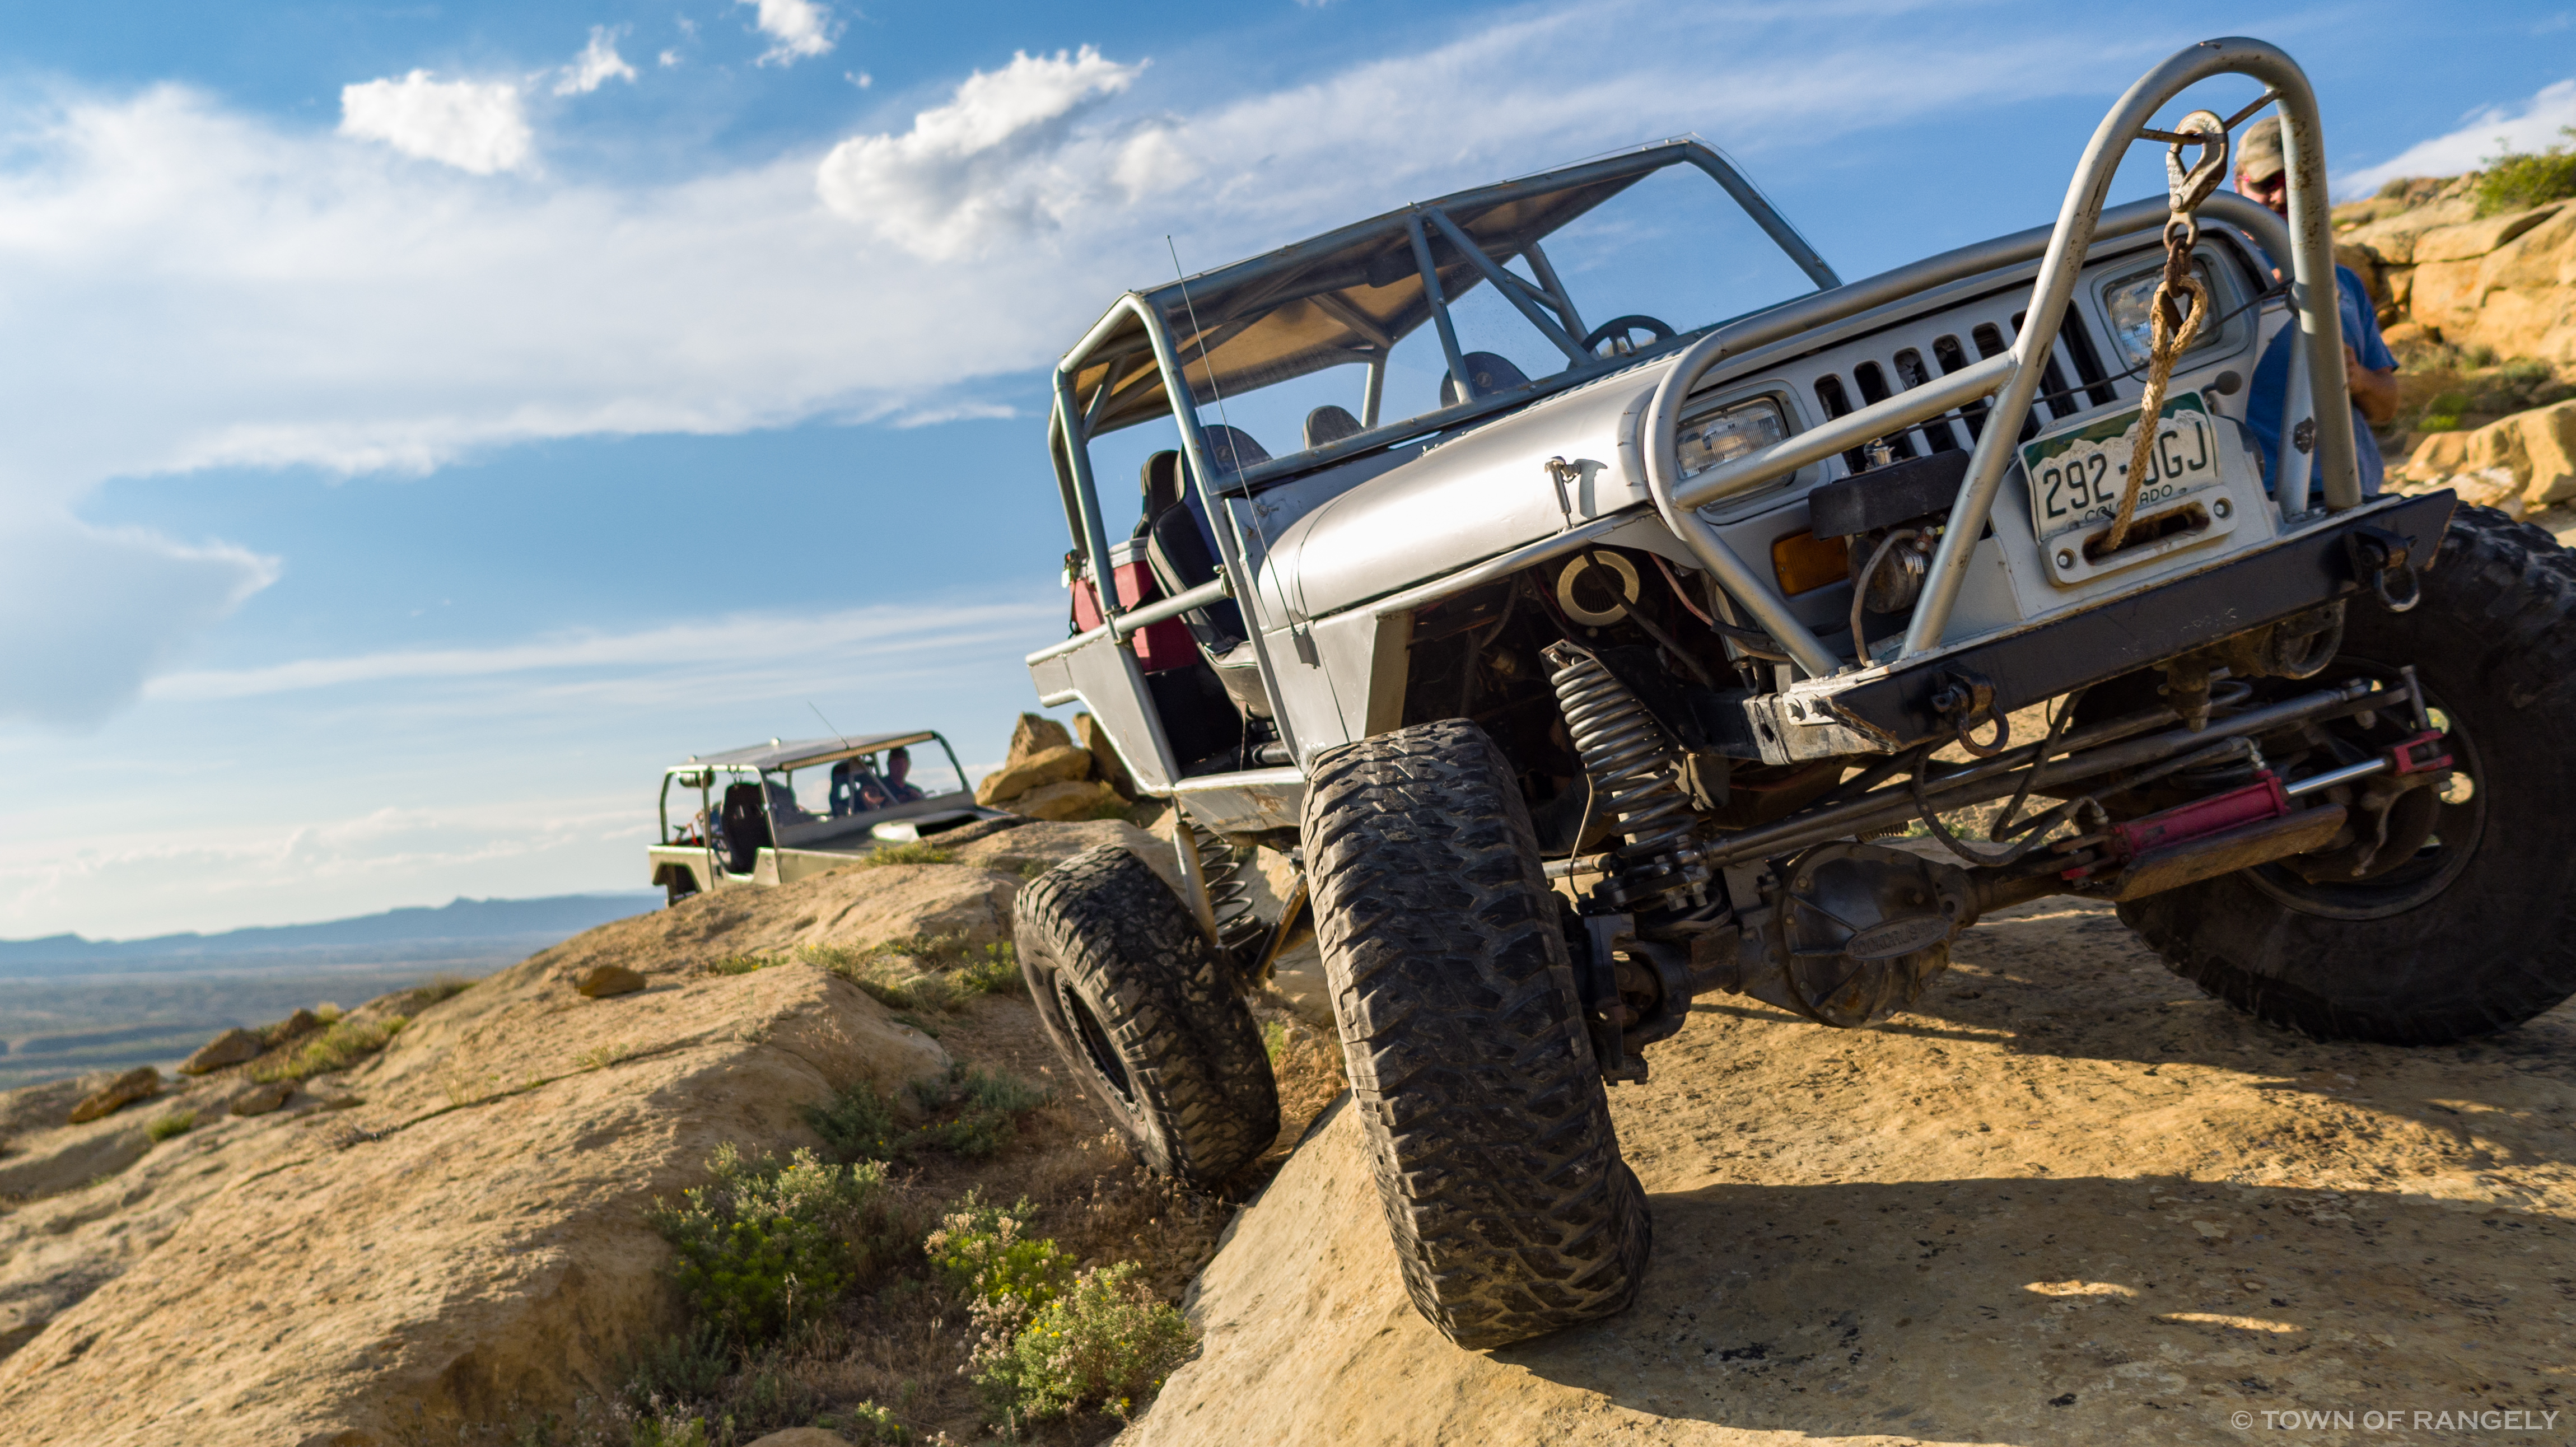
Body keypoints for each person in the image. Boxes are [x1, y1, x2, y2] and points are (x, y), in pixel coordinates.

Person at [2233, 116, 2400, 505]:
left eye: (2294, 180)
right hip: (2263, 498)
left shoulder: (2343, 281)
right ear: (2238, 183)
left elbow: (2387, 406)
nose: (2281, 196)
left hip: (2356, 490)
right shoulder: (2212, 277)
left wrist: (2358, 379)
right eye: (2266, 184)